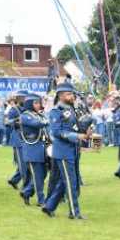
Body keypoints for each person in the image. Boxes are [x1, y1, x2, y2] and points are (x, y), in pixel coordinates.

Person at [42, 82, 91, 220]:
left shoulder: (72, 109)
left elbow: (75, 127)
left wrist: (86, 129)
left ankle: (49, 206)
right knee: (71, 183)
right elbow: (57, 132)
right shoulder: (55, 111)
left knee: (65, 182)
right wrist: (77, 136)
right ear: (61, 96)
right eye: (69, 94)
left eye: (72, 94)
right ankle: (74, 213)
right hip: (63, 151)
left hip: (73, 150)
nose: (72, 96)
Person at [19, 93, 50, 206]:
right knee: (37, 176)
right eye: (36, 103)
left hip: (41, 149)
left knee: (43, 174)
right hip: (32, 150)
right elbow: (36, 124)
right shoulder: (25, 115)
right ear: (29, 104)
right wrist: (46, 120)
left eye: (39, 102)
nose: (38, 105)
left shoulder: (38, 115)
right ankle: (41, 200)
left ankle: (26, 192)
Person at [6, 90, 29, 189]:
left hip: (27, 138)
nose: (25, 100)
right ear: (19, 99)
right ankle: (26, 185)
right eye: (23, 98)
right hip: (18, 139)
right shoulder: (14, 110)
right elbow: (7, 122)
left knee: (26, 162)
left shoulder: (27, 109)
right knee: (23, 164)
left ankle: (14, 180)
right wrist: (16, 121)